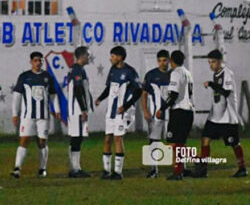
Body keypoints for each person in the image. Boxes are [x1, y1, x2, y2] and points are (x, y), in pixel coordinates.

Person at [194, 49, 247, 178]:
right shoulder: (216, 74)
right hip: (215, 116)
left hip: (227, 116)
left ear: (220, 61)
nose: (211, 65)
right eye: (209, 62)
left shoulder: (227, 73)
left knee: (234, 143)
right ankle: (203, 170)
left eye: (213, 62)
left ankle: (242, 168)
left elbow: (226, 92)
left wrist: (212, 84)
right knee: (205, 139)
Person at [94, 46, 142, 180]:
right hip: (111, 111)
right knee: (107, 138)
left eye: (113, 56)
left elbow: (138, 91)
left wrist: (126, 106)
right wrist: (100, 98)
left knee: (117, 138)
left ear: (120, 57)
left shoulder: (130, 72)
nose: (110, 58)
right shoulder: (113, 70)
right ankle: (106, 171)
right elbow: (109, 87)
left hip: (123, 112)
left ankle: (118, 172)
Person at [10, 51, 60, 178]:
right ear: (31, 62)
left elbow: (53, 95)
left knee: (42, 142)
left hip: (43, 116)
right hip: (27, 116)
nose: (38, 63)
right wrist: (15, 114)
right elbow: (17, 96)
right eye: (36, 60)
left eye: (40, 61)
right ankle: (17, 168)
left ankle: (42, 169)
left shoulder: (47, 76)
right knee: (24, 140)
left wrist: (57, 110)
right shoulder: (24, 76)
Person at [155, 50, 194, 181]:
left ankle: (180, 170)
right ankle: (183, 168)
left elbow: (174, 95)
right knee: (180, 142)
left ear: (172, 61)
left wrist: (162, 108)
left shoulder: (176, 73)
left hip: (179, 111)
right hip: (189, 111)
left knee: (174, 143)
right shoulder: (187, 73)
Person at [141, 50, 171, 178]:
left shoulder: (174, 74)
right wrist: (146, 111)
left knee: (175, 141)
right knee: (154, 141)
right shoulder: (151, 75)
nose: (162, 63)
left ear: (169, 60)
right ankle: (154, 169)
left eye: (164, 60)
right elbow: (144, 94)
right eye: (160, 60)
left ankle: (181, 167)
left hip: (172, 115)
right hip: (156, 115)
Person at [66, 46, 94, 178]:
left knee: (78, 138)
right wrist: (83, 109)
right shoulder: (77, 70)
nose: (89, 57)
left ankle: (76, 167)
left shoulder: (79, 69)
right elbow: (78, 90)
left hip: (78, 110)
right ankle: (74, 169)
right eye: (88, 55)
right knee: (76, 138)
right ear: (82, 56)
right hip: (76, 110)